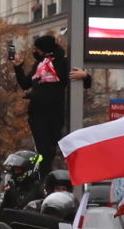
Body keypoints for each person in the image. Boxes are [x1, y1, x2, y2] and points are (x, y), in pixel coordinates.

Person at [13, 34, 85, 163]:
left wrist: (85, 75)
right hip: (37, 114)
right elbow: (25, 83)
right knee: (42, 151)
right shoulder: (39, 65)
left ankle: (50, 175)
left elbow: (81, 79)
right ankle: (44, 176)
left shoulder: (63, 63)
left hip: (54, 113)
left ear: (44, 49)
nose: (35, 52)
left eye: (37, 49)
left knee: (51, 148)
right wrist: (18, 67)